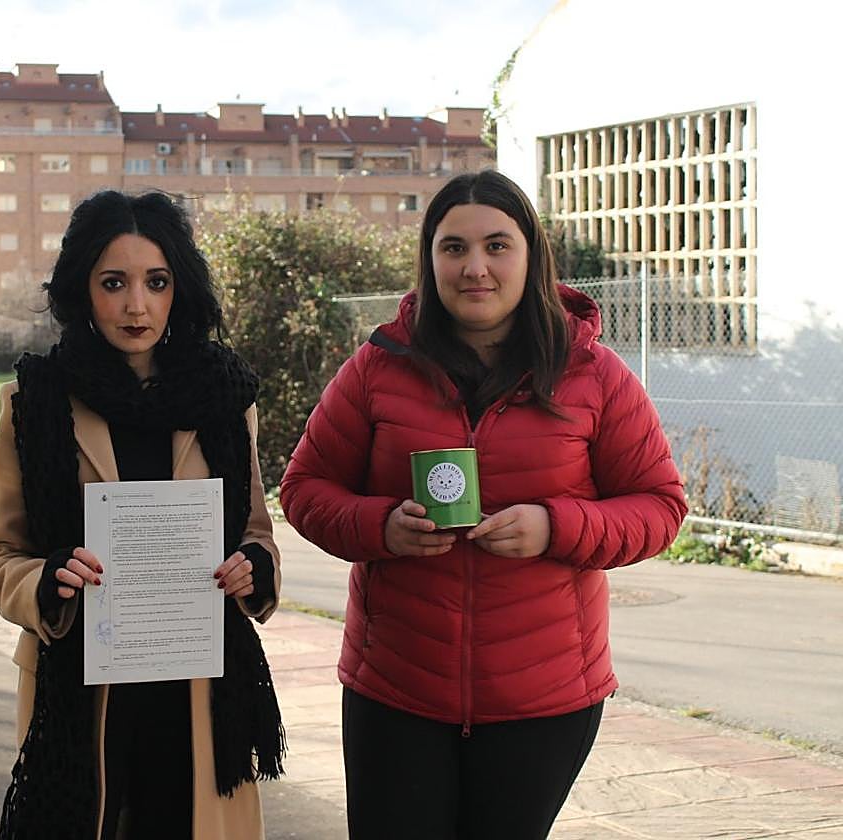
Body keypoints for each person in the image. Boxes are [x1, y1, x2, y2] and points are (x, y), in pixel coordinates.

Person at [280, 170, 687, 839]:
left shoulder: (595, 375)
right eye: (454, 248)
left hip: (544, 697)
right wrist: (381, 526)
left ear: (531, 256)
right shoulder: (378, 368)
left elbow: (659, 506)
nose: (476, 268)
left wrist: (556, 525)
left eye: (497, 246)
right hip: (396, 691)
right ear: (429, 259)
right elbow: (304, 489)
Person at [0, 190, 284, 840]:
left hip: (197, 690)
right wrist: (47, 580)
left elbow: (257, 535)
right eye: (113, 282)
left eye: (156, 282)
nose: (136, 305)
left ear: (180, 289)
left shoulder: (227, 401)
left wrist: (253, 569)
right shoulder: (33, 405)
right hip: (82, 695)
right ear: (83, 289)